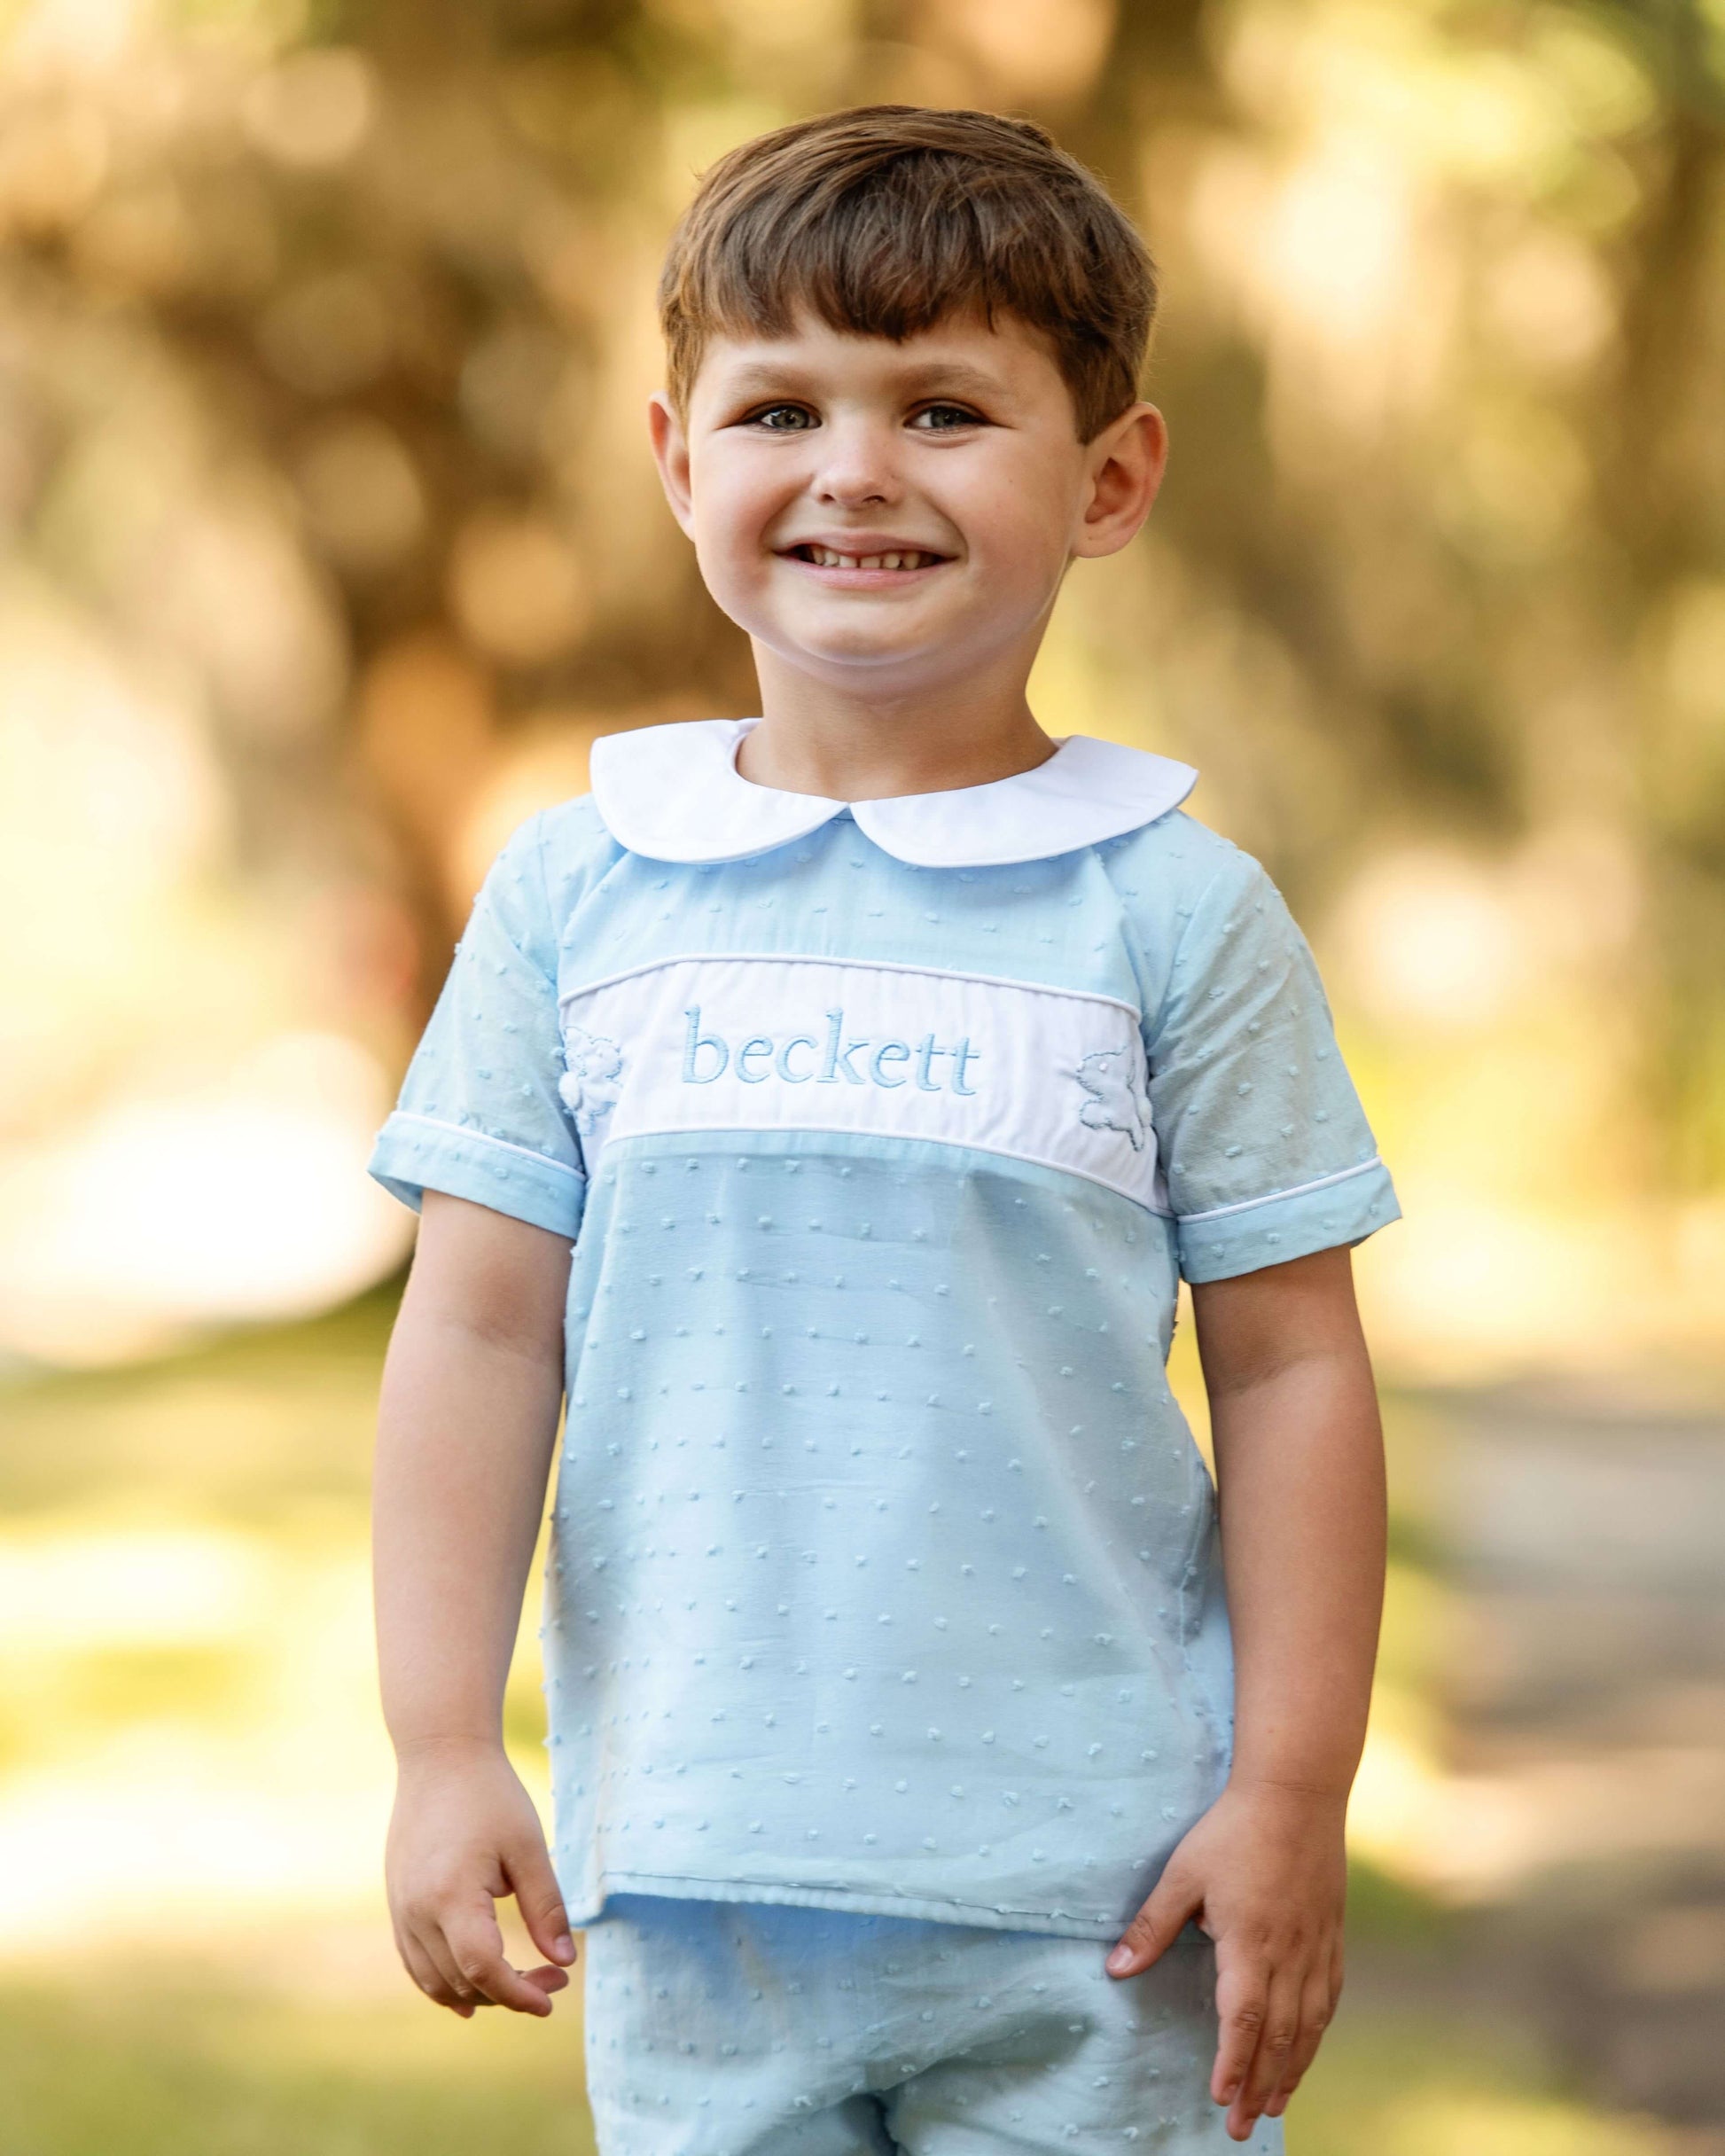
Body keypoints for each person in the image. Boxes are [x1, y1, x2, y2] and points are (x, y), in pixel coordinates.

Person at [367, 104, 1398, 2154]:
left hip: (1097, 1887)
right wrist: (434, 1742)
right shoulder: (581, 891)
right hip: (691, 1869)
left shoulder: (1169, 906)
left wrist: (1288, 1794)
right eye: (779, 408)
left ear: (1106, 480)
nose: (852, 469)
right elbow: (480, 1334)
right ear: (677, 461)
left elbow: (1294, 1371)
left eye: (942, 408)